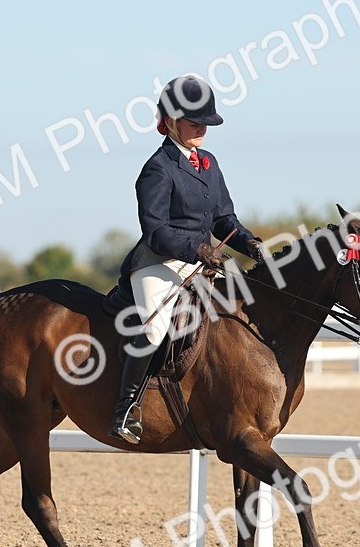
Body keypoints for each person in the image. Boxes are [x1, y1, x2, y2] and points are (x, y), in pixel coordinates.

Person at [108, 75, 263, 444]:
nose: (201, 128)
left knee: (244, 305)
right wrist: (198, 249)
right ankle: (125, 409)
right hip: (158, 263)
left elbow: (225, 218)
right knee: (156, 328)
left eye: (205, 122)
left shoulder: (208, 162)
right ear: (170, 122)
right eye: (193, 121)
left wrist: (249, 242)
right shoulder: (158, 168)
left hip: (202, 262)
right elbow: (154, 228)